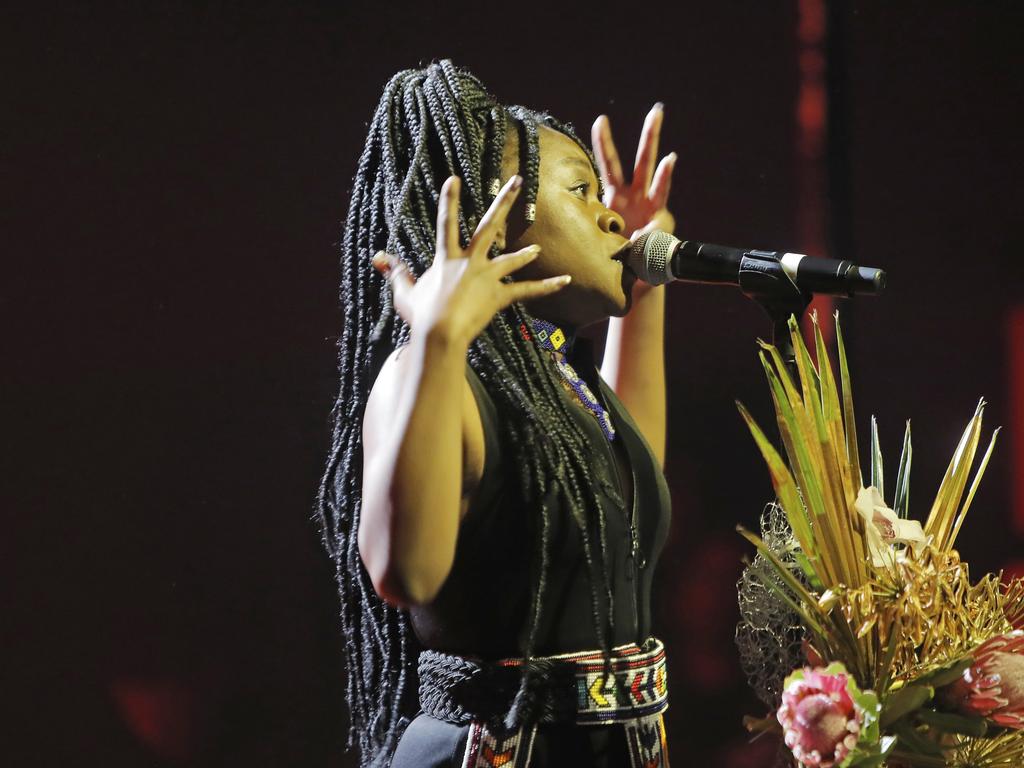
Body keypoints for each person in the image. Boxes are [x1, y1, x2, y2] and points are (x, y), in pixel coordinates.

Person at [315, 59, 679, 768]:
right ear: (498, 215)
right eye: (583, 191)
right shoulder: (430, 367)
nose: (609, 213)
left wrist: (647, 282)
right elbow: (404, 573)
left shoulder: (555, 377)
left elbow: (626, 485)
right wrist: (440, 339)